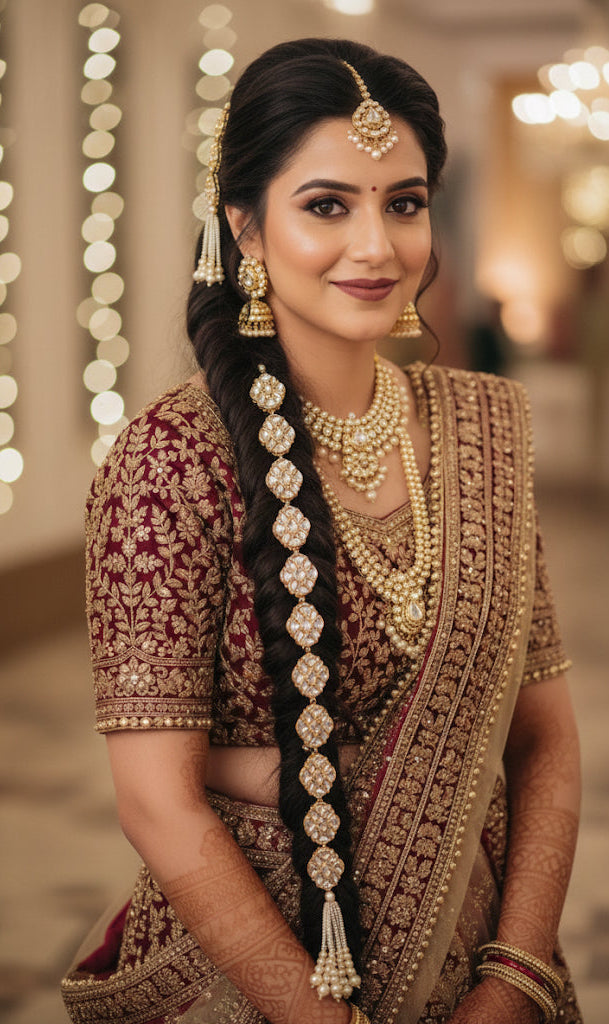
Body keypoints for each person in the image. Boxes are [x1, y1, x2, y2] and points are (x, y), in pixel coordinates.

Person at [61, 38, 582, 1024]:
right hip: (252, 981)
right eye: (327, 205)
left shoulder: (483, 432)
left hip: (481, 966)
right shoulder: (174, 460)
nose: (378, 246)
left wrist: (513, 979)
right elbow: (157, 804)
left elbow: (545, 737)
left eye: (406, 202)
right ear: (245, 228)